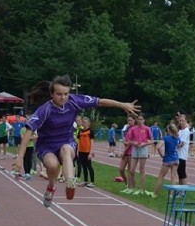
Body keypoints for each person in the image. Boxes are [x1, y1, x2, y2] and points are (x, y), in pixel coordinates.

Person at [14, 76, 139, 206]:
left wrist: (122, 104)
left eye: (66, 94)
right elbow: (28, 131)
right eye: (59, 94)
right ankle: (51, 187)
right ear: (52, 94)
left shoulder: (74, 101)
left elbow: (99, 102)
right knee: (53, 165)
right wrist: (20, 157)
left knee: (66, 149)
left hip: (66, 141)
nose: (63, 97)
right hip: (47, 146)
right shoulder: (45, 109)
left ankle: (70, 182)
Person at [149, 122, 179, 198]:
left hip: (168, 159)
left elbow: (158, 147)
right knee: (173, 177)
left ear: (168, 130)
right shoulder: (177, 137)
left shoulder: (165, 138)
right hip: (176, 159)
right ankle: (171, 195)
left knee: (161, 176)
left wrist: (162, 155)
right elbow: (180, 144)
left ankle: (155, 193)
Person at [126, 114, 153, 195]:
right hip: (135, 148)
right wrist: (134, 142)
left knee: (142, 169)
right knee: (131, 170)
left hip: (143, 148)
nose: (139, 120)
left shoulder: (147, 128)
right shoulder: (133, 129)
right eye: (138, 119)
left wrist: (144, 144)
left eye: (141, 119)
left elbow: (152, 140)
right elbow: (129, 140)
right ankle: (132, 187)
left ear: (144, 120)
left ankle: (142, 189)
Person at [77, 116, 96, 187]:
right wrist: (77, 151)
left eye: (85, 122)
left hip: (87, 151)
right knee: (84, 166)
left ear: (88, 123)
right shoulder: (80, 131)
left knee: (89, 166)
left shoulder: (90, 131)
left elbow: (92, 142)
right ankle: (85, 180)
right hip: (81, 151)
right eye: (83, 122)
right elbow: (79, 142)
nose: (84, 124)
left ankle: (92, 182)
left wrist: (91, 153)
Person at [176, 112, 191, 185]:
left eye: (183, 121)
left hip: (182, 155)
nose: (181, 122)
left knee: (182, 173)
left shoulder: (186, 130)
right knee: (179, 172)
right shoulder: (180, 130)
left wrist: (173, 145)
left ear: (186, 121)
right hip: (178, 154)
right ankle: (180, 189)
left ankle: (183, 191)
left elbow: (181, 143)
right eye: (180, 121)